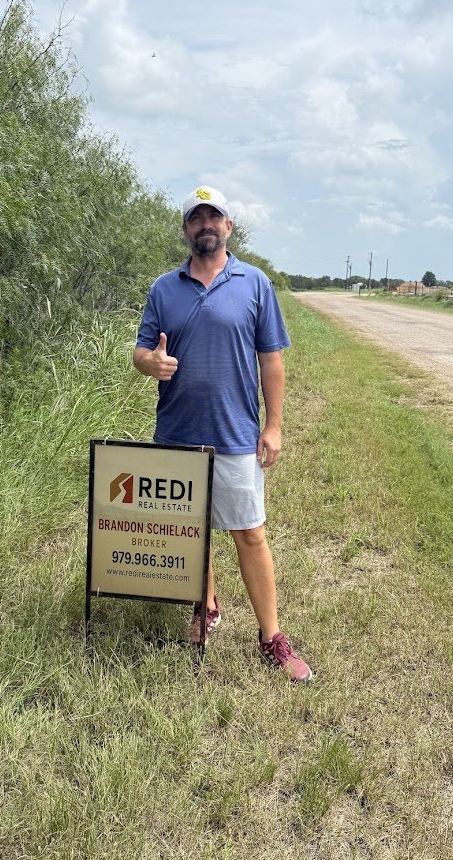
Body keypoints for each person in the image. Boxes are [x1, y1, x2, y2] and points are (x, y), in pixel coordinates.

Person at [133, 185, 311, 682]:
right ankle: (206, 606)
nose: (205, 225)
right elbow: (140, 353)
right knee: (189, 533)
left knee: (250, 534)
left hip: (235, 435)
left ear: (229, 226)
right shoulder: (163, 289)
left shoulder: (254, 284)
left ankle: (271, 636)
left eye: (214, 217)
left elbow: (271, 360)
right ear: (186, 229)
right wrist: (152, 363)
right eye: (196, 218)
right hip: (176, 435)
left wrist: (273, 425)